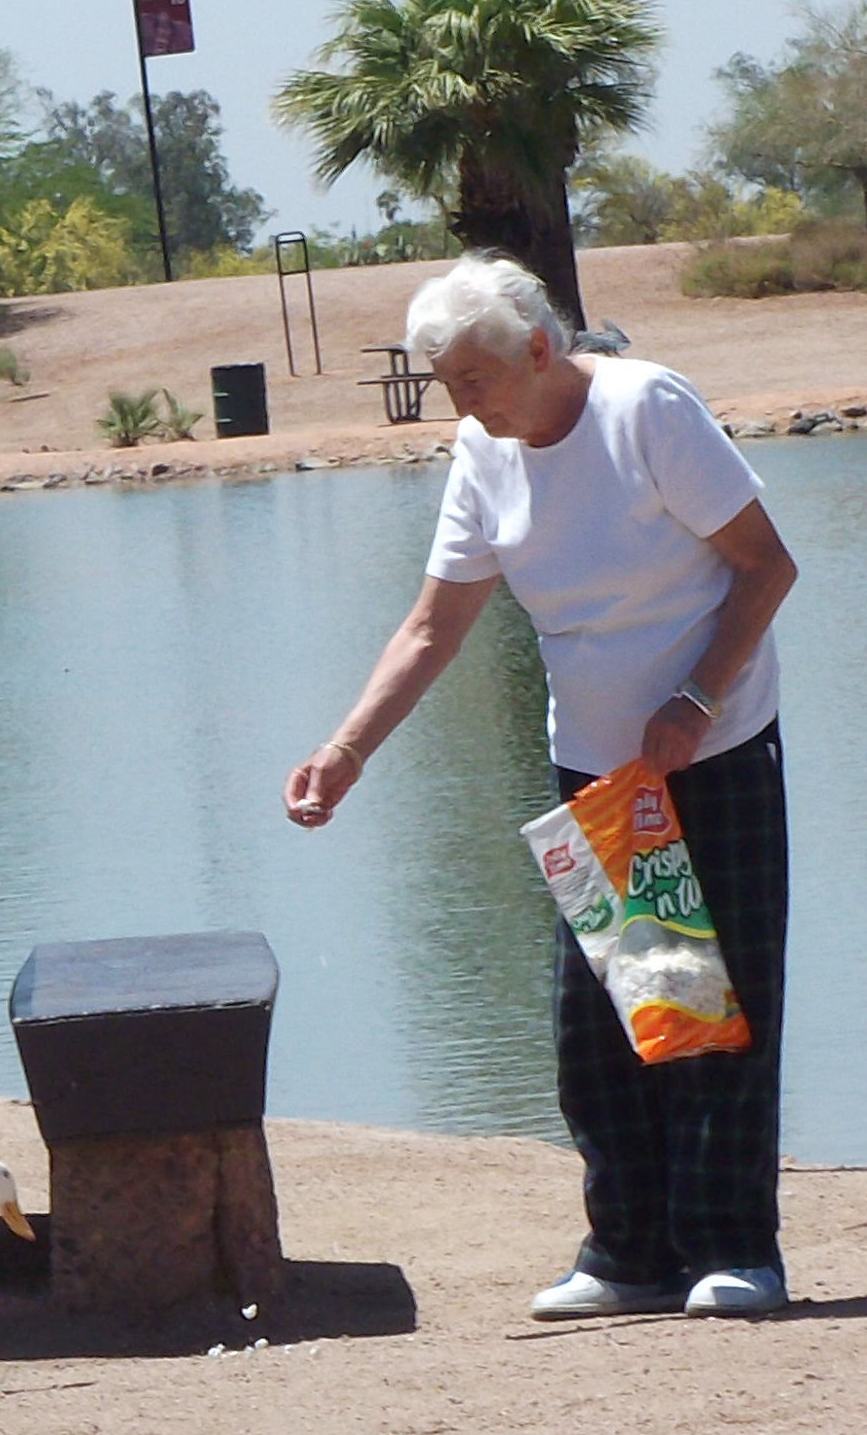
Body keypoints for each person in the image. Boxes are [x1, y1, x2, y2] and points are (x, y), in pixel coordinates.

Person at [284, 254, 798, 1318]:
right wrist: (345, 751)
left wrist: (695, 703)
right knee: (612, 1022)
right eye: (446, 385)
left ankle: (736, 1253)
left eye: (476, 378)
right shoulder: (484, 451)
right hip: (599, 765)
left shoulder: (644, 407)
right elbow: (434, 625)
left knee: (718, 1018)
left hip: (719, 747)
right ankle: (629, 1257)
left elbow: (765, 566)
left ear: (537, 347)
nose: (462, 404)